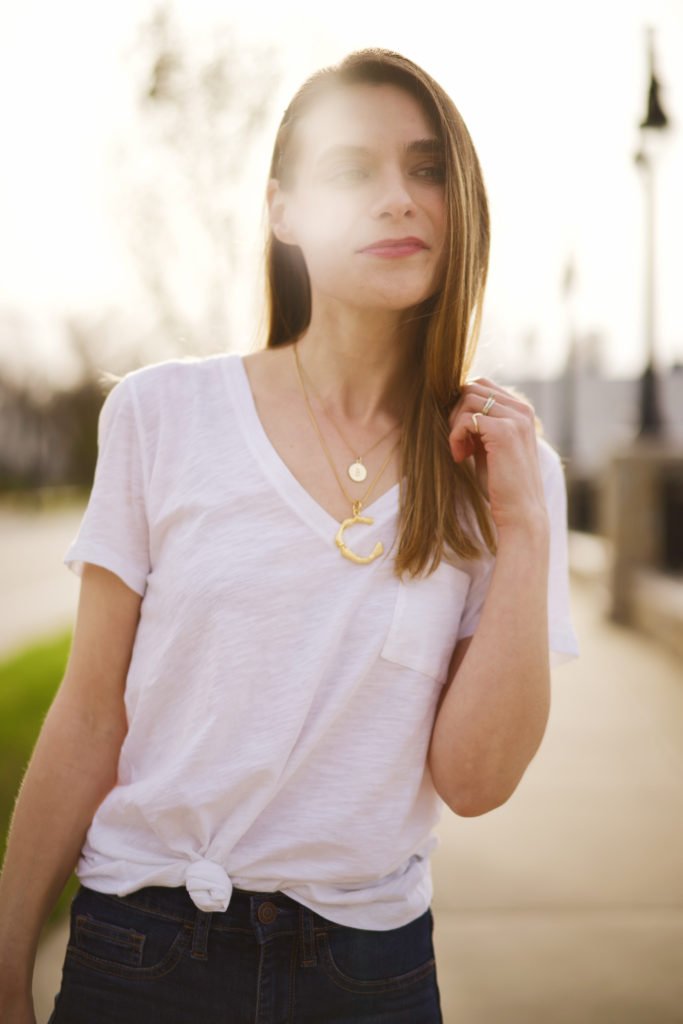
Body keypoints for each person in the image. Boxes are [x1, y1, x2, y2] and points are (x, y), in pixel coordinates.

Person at [0, 48, 578, 1023]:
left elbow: (475, 780)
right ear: (282, 211)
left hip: (370, 974)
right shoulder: (159, 414)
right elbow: (91, 713)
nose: (397, 196)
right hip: (138, 950)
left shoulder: (505, 468)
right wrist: (7, 959)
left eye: (426, 167)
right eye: (350, 169)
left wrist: (521, 529)